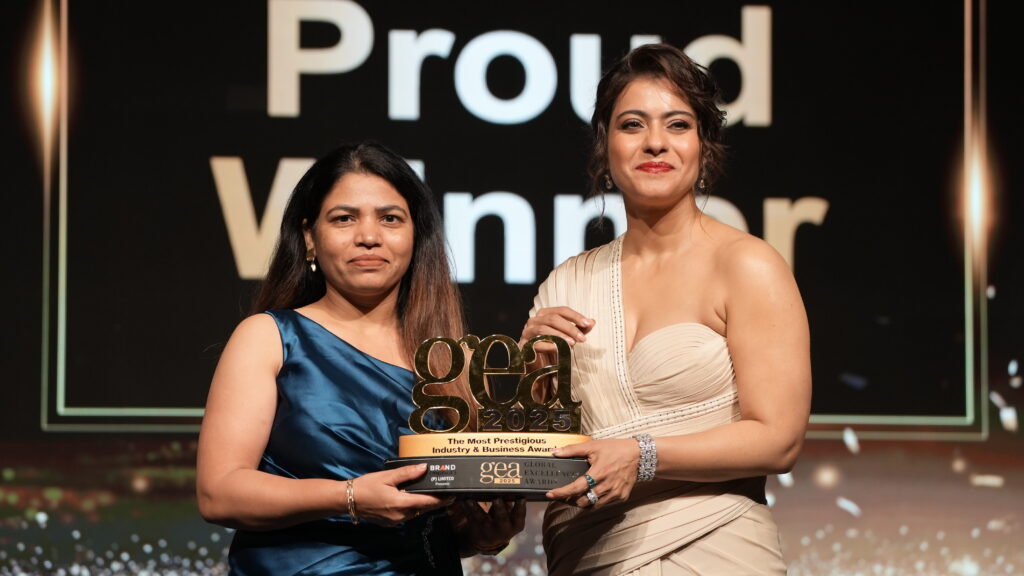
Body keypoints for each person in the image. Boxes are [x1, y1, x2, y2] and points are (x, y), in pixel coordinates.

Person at [519, 43, 812, 575]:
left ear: (704, 146)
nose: (655, 142)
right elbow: (547, 452)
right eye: (632, 125)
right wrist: (529, 379)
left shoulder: (747, 265)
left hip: (715, 549)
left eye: (677, 125)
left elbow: (779, 439)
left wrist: (642, 453)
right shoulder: (568, 282)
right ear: (605, 144)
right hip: (589, 553)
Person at [196, 141, 526, 575]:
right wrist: (349, 497)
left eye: (390, 219)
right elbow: (218, 493)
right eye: (344, 218)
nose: (369, 236)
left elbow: (436, 520)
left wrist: (481, 535)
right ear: (309, 237)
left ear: (416, 236)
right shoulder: (270, 337)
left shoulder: (448, 358)